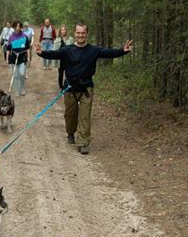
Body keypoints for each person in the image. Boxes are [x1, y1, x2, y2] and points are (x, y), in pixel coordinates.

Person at [35, 23, 133, 155]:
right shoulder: (67, 50)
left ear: (87, 34)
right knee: (70, 116)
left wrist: (123, 50)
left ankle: (83, 143)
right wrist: (42, 53)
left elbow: (109, 53)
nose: (80, 35)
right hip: (70, 88)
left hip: (86, 88)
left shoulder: (94, 50)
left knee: (85, 117)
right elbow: (54, 54)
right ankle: (70, 132)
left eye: (83, 33)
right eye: (78, 33)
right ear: (75, 34)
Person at [6, 21, 30, 96]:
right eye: (16, 26)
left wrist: (28, 57)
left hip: (22, 58)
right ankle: (16, 90)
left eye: (19, 26)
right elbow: (8, 49)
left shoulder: (24, 36)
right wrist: (7, 59)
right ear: (14, 27)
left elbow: (27, 48)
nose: (17, 28)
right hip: (13, 58)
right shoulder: (11, 37)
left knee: (22, 74)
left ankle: (22, 89)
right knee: (15, 75)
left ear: (21, 27)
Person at [52, 24, 74, 89]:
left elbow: (73, 49)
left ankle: (68, 86)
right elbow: (55, 51)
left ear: (66, 31)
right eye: (62, 30)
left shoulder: (70, 39)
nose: (63, 31)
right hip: (60, 60)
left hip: (68, 60)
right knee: (60, 74)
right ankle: (61, 87)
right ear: (60, 31)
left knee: (68, 74)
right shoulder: (57, 40)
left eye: (64, 30)